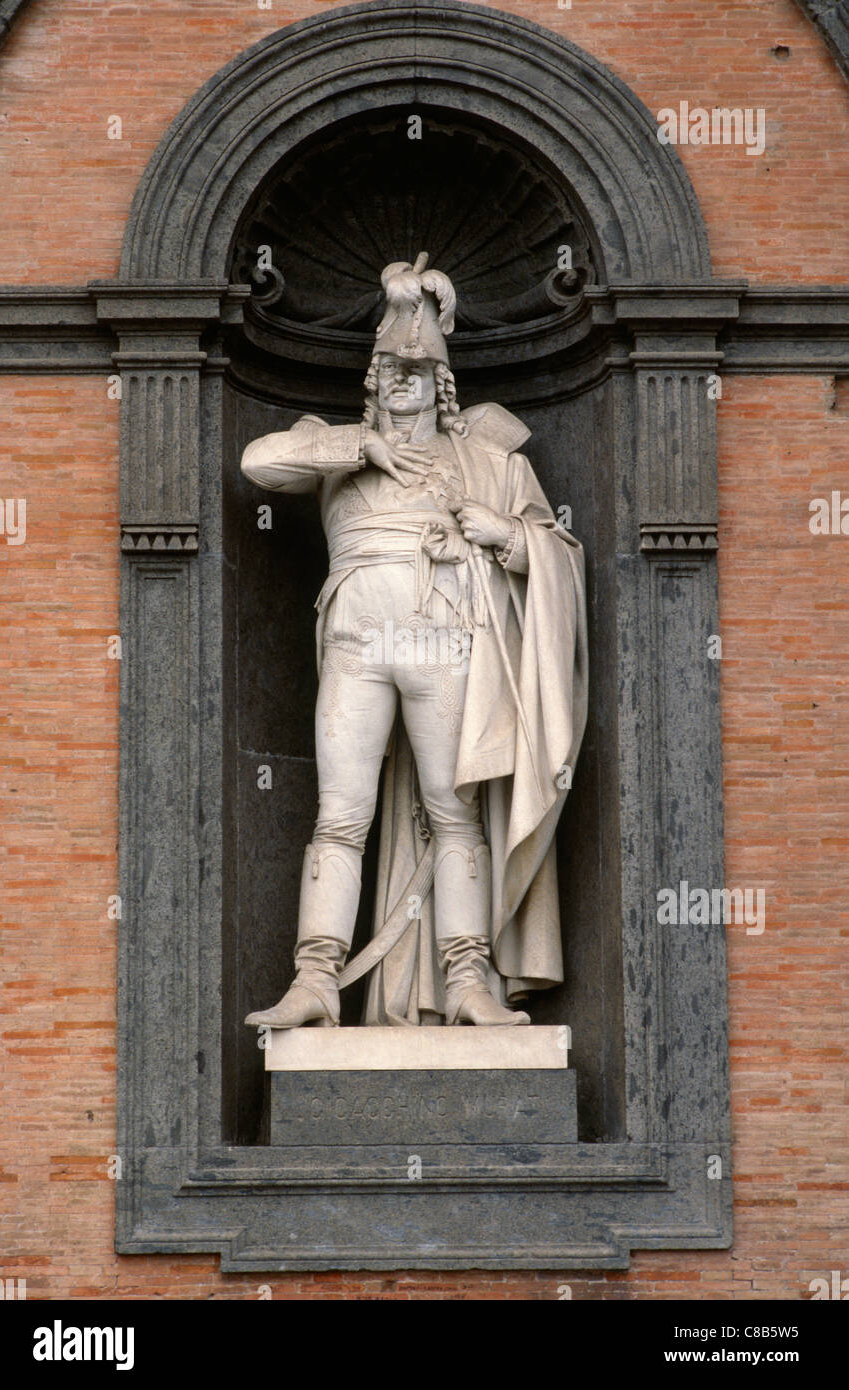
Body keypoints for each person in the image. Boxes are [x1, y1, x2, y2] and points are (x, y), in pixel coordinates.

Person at [241, 253, 588, 1028]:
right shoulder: (334, 450)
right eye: (391, 369)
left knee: (454, 811)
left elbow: (558, 554)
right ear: (372, 380)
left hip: (444, 644)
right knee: (340, 812)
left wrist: (506, 536)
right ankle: (316, 979)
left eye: (418, 368)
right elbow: (256, 460)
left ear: (441, 382)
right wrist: (357, 448)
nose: (404, 379)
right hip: (358, 645)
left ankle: (468, 982)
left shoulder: (488, 460)